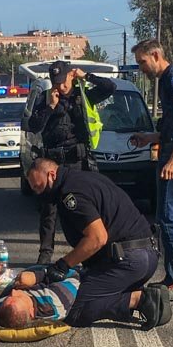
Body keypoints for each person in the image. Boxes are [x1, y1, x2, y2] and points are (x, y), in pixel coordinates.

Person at [26, 158, 171, 330]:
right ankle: (126, 292)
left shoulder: (70, 195)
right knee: (89, 283)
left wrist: (63, 265)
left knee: (73, 310)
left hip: (129, 261)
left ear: (51, 175)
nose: (37, 192)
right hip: (147, 255)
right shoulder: (85, 178)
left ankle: (140, 299)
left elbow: (97, 238)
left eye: (38, 186)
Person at [129, 39, 173, 301]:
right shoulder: (170, 80)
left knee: (168, 219)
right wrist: (150, 138)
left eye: (142, 62)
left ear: (156, 55)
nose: (141, 69)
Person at [25, 61, 116, 265]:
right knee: (49, 211)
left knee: (81, 209)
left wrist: (87, 77)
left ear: (71, 76)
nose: (60, 86)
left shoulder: (83, 95)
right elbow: (33, 126)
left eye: (63, 81)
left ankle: (87, 254)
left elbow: (110, 88)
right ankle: (44, 257)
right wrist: (49, 107)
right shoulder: (46, 99)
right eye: (55, 82)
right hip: (53, 163)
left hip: (77, 162)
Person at [0, 261, 80, 330]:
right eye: (18, 297)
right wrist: (37, 276)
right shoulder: (55, 300)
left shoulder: (0, 312)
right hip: (51, 269)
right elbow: (74, 276)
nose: (13, 292)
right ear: (31, 313)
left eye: (9, 297)